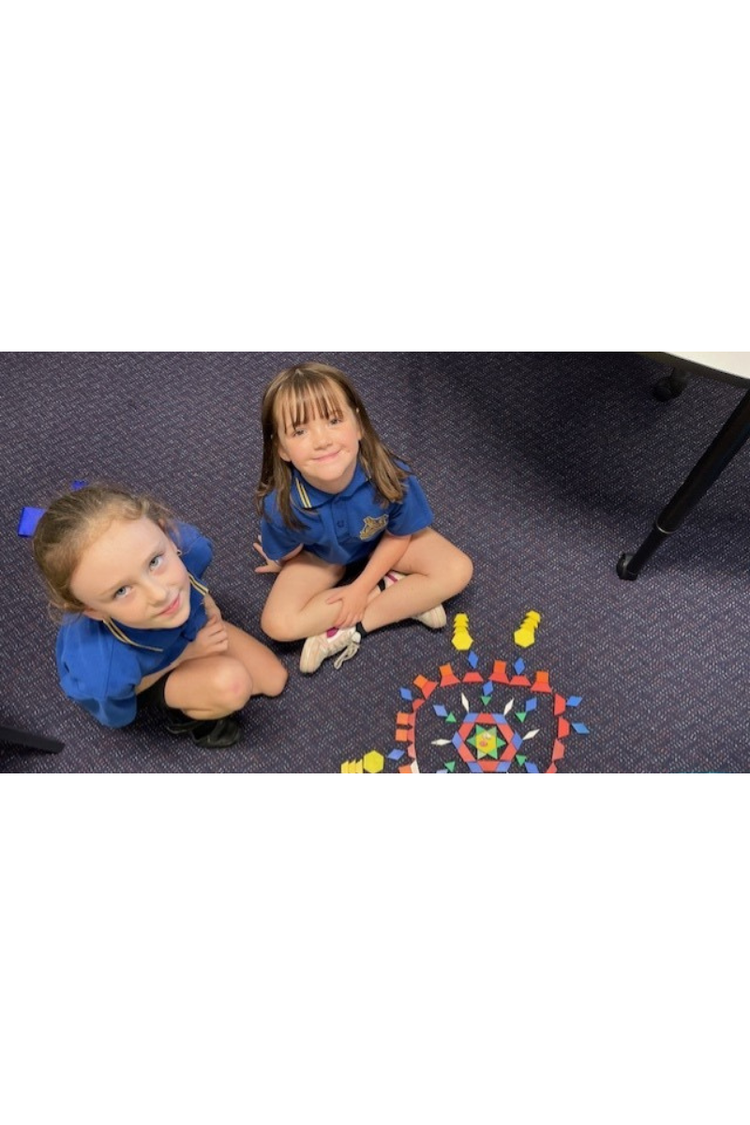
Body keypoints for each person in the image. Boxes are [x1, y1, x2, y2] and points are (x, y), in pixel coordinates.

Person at [254, 362, 473, 672]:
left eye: (333, 421)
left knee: (457, 569)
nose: (322, 440)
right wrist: (281, 557)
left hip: (386, 541)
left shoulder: (390, 475)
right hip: (324, 557)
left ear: (357, 425)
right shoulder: (280, 503)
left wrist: (360, 591)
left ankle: (353, 627)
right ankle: (403, 595)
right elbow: (289, 551)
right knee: (277, 624)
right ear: (282, 449)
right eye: (300, 431)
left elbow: (399, 535)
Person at [33, 485, 287, 748]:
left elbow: (194, 578)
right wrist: (188, 654)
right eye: (122, 591)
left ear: (168, 536)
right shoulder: (105, 667)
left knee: (274, 680)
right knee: (232, 686)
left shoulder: (187, 545)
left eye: (154, 562)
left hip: (185, 631)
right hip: (146, 675)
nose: (159, 594)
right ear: (94, 610)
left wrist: (208, 604)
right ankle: (190, 716)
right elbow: (119, 708)